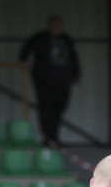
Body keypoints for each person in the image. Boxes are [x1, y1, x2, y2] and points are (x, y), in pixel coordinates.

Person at [19, 16, 80, 146]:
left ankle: (54, 137)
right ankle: (48, 138)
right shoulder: (40, 37)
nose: (57, 27)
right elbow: (26, 50)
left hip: (63, 80)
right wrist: (23, 60)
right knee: (46, 109)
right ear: (49, 25)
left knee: (60, 108)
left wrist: (76, 74)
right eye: (54, 25)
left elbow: (74, 58)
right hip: (44, 80)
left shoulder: (66, 39)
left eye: (59, 25)